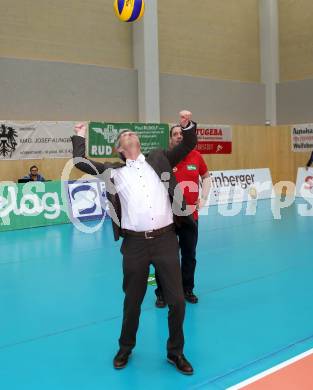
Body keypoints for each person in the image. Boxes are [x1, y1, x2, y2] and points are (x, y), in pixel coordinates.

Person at [71, 111, 197, 375]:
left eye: (131, 133)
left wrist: (186, 126)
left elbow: (187, 145)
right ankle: (125, 347)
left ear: (138, 142)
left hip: (165, 239)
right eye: (123, 136)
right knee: (133, 301)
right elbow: (80, 162)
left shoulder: (160, 158)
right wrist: (79, 136)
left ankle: (175, 352)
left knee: (177, 301)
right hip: (135, 245)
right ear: (119, 149)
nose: (128, 135)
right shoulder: (113, 172)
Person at [155, 124, 211, 307]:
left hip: (190, 215)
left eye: (181, 133)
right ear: (170, 139)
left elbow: (206, 177)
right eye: (175, 134)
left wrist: (203, 198)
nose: (179, 136)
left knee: (189, 255)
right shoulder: (164, 158)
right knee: (164, 258)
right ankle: (162, 293)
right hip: (167, 218)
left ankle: (187, 288)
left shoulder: (197, 156)